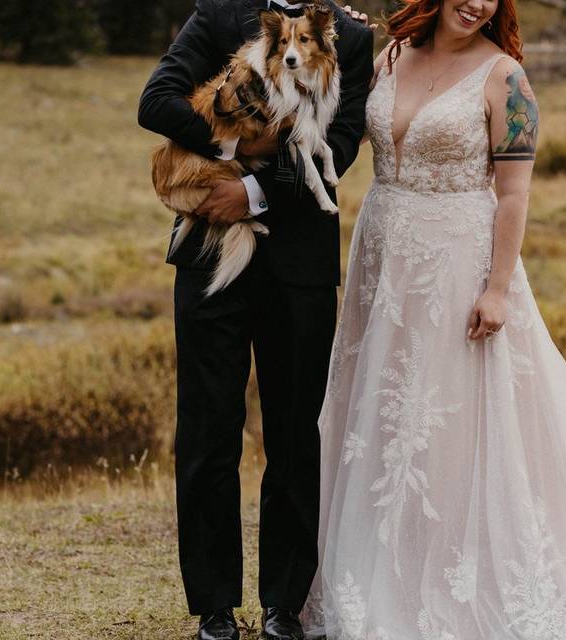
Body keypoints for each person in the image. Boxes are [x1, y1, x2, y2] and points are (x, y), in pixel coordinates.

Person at [303, 0, 566, 636]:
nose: (478, 4)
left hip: (458, 262)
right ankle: (375, 567)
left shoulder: (505, 78)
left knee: (445, 419)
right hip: (382, 258)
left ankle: (442, 579)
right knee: (380, 413)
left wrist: (497, 289)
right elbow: (337, 132)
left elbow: (515, 193)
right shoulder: (390, 55)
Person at [137, 1, 373, 638]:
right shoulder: (218, 16)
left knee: (297, 436)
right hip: (210, 254)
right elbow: (154, 103)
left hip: (299, 267)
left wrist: (255, 190)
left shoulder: (350, 36)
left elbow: (343, 144)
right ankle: (214, 608)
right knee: (209, 429)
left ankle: (285, 606)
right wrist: (236, 143)